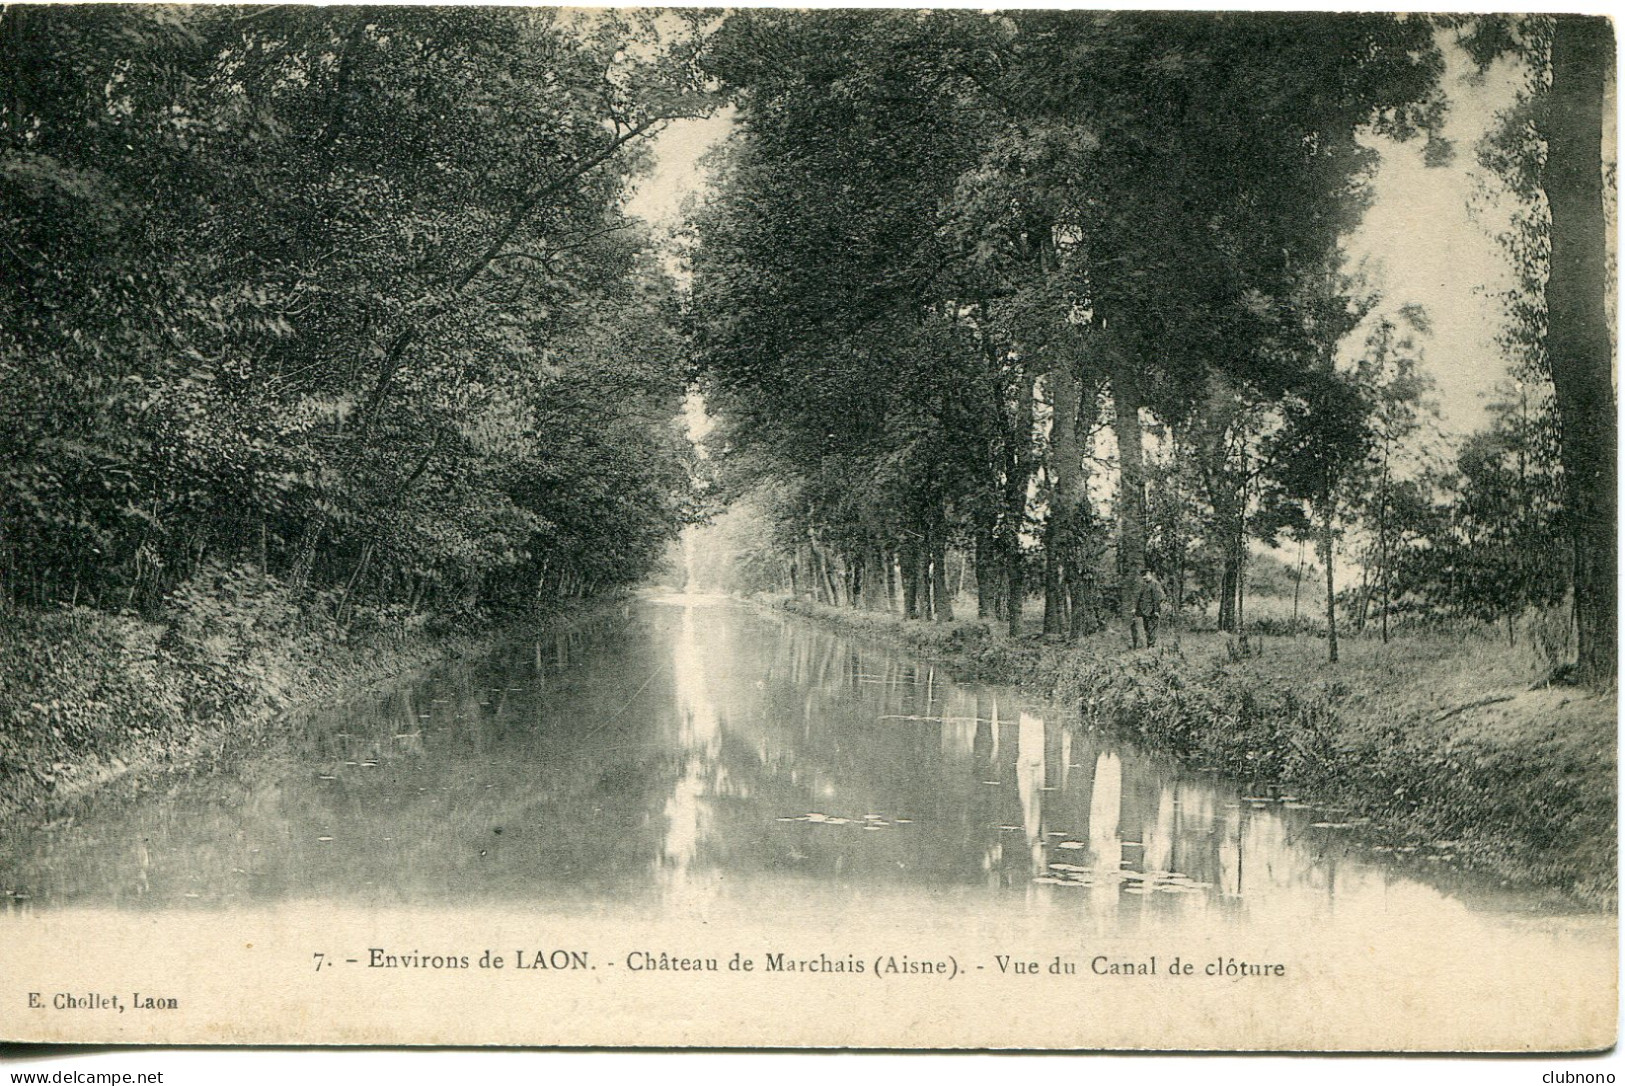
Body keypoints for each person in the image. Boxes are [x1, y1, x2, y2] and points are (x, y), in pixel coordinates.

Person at [1133, 567, 1167, 648]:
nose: (1144, 577)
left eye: (1146, 575)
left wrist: (1156, 611)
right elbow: (1140, 598)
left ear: (1150, 574)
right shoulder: (1145, 585)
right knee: (1147, 629)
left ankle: (1152, 647)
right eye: (1143, 576)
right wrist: (1136, 609)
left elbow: (1157, 598)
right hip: (1145, 612)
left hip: (1152, 612)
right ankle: (1150, 646)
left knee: (1152, 630)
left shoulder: (1155, 584)